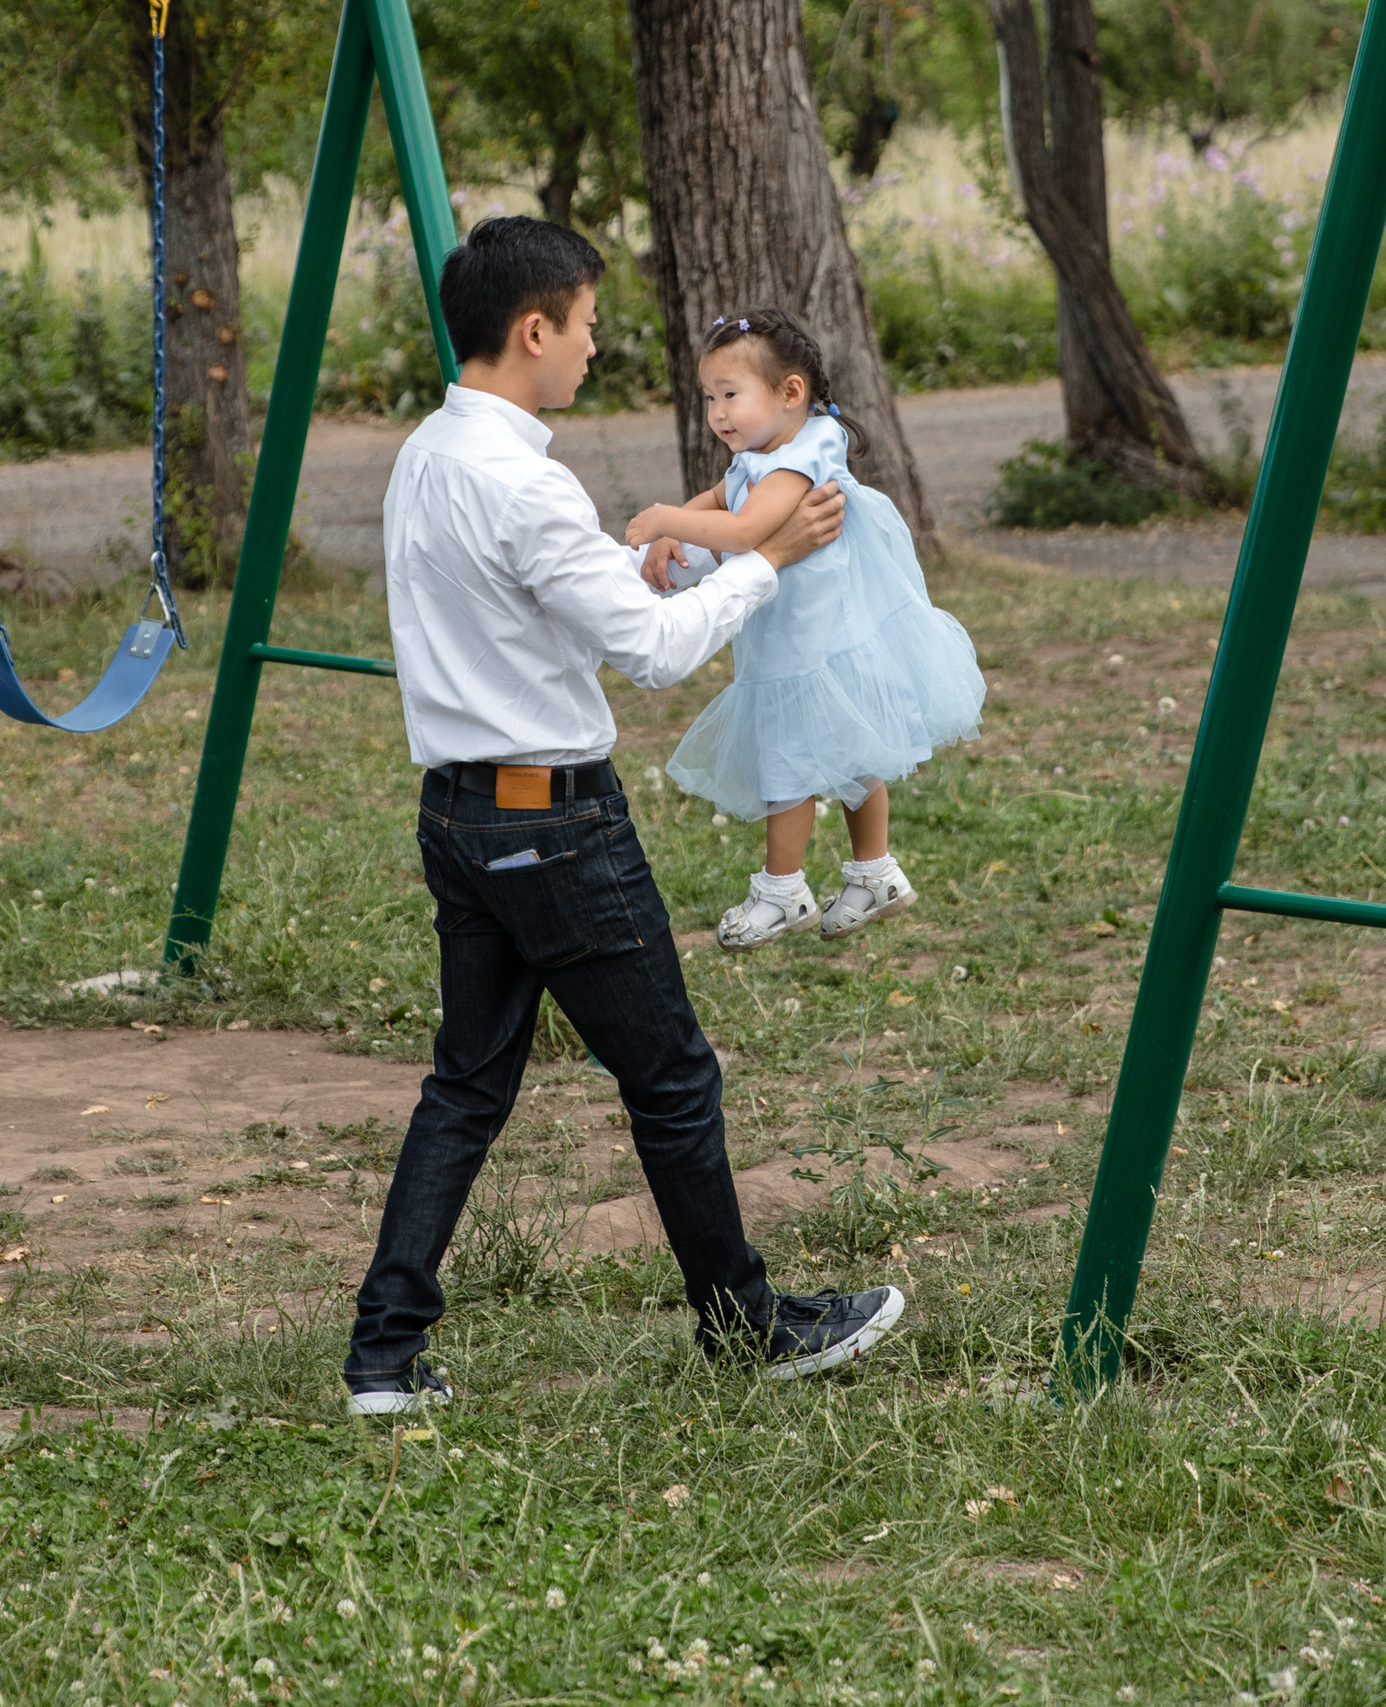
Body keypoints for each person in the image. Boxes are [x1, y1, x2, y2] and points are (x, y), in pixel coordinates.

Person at [345, 217, 907, 1415]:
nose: (595, 347)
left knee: (466, 1083)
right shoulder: (521, 478)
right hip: (555, 825)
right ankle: (747, 1328)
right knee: (670, 1081)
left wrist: (629, 560)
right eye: (588, 324)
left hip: (457, 816)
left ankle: (383, 1358)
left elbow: (524, 598)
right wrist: (769, 565)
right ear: (534, 329)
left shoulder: (427, 455)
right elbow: (652, 656)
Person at [628, 308, 984, 951]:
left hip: (816, 641)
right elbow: (720, 500)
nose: (717, 413)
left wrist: (660, 519)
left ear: (791, 393)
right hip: (798, 635)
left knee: (793, 755)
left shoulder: (802, 456)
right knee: (849, 752)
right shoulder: (763, 452)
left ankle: (782, 889)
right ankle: (874, 872)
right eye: (710, 398)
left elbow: (742, 530)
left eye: (730, 396)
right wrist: (681, 523)